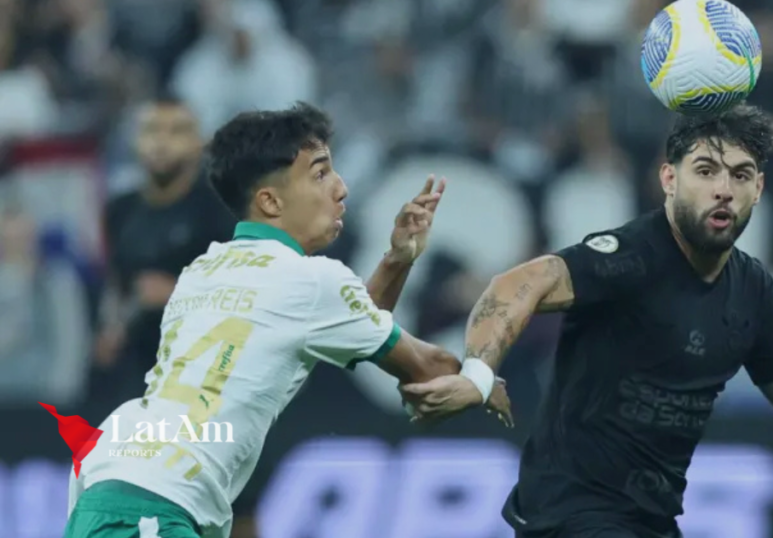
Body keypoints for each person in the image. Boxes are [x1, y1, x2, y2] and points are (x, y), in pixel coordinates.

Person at [401, 104, 773, 538]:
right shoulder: (631, 255)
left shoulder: (752, 290)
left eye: (739, 175)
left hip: (650, 523)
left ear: (759, 189)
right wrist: (478, 376)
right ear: (668, 179)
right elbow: (518, 284)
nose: (723, 190)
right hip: (570, 518)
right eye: (705, 170)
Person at [64, 102, 511, 538]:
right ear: (270, 201)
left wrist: (397, 261)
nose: (341, 188)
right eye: (320, 173)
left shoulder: (204, 269)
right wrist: (481, 379)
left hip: (113, 473)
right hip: (152, 504)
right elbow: (427, 367)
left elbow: (350, 323)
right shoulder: (310, 280)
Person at [95, 94, 236, 402]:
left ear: (198, 142)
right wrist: (111, 326)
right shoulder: (121, 210)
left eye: (176, 131)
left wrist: (177, 292)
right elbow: (116, 282)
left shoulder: (220, 210)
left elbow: (248, 296)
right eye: (151, 130)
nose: (161, 143)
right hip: (137, 365)